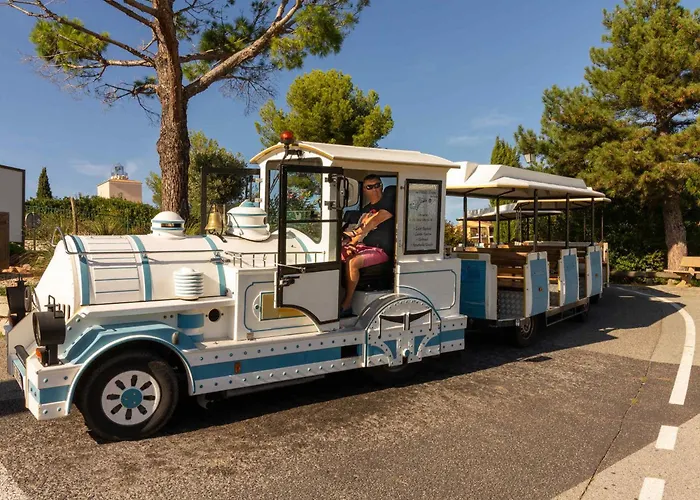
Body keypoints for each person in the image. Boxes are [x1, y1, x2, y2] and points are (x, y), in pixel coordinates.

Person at [339, 174, 394, 318]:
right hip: (364, 246)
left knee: (353, 262)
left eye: (377, 185)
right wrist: (350, 244)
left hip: (381, 249)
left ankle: (347, 304)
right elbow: (359, 232)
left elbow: (375, 220)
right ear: (364, 190)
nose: (374, 189)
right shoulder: (365, 210)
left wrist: (355, 234)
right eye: (370, 187)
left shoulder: (389, 204)